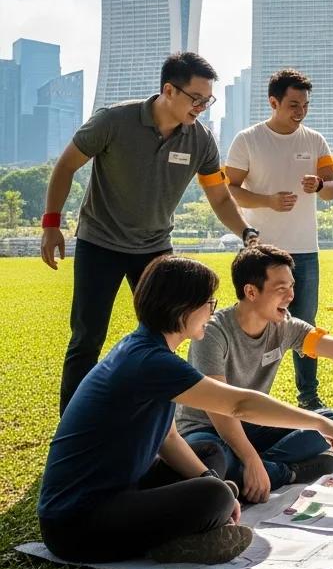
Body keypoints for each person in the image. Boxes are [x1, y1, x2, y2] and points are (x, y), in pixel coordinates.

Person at [37, 256, 333, 565]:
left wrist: (207, 478)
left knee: (209, 460)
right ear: (183, 308)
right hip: (76, 522)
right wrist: (317, 423)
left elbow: (167, 437)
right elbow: (239, 403)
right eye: (207, 304)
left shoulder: (142, 347)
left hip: (119, 490)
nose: (211, 313)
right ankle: (174, 541)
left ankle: (189, 525)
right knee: (213, 496)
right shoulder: (151, 361)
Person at [40, 51, 257, 414]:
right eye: (196, 98)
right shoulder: (113, 121)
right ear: (169, 90)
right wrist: (51, 225)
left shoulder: (201, 141)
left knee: (167, 335)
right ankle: (72, 423)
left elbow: (219, 196)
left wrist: (247, 231)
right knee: (86, 339)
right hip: (100, 244)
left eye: (208, 100)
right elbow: (65, 166)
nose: (202, 107)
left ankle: (158, 424)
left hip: (155, 249)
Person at [176, 244, 333, 502]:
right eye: (281, 289)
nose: (290, 296)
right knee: (211, 456)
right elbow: (222, 409)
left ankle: (253, 474)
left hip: (251, 423)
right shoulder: (213, 332)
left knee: (331, 421)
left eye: (291, 287)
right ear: (251, 291)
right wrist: (250, 458)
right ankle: (283, 472)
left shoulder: (285, 325)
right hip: (208, 429)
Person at [225, 69, 333, 411]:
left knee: (305, 325)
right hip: (262, 253)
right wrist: (267, 201)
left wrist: (318, 186)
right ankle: (247, 394)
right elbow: (228, 191)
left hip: (305, 251)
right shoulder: (248, 139)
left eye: (305, 104)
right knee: (255, 324)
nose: (300, 111)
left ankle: (309, 397)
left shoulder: (315, 140)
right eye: (292, 104)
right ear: (273, 102)